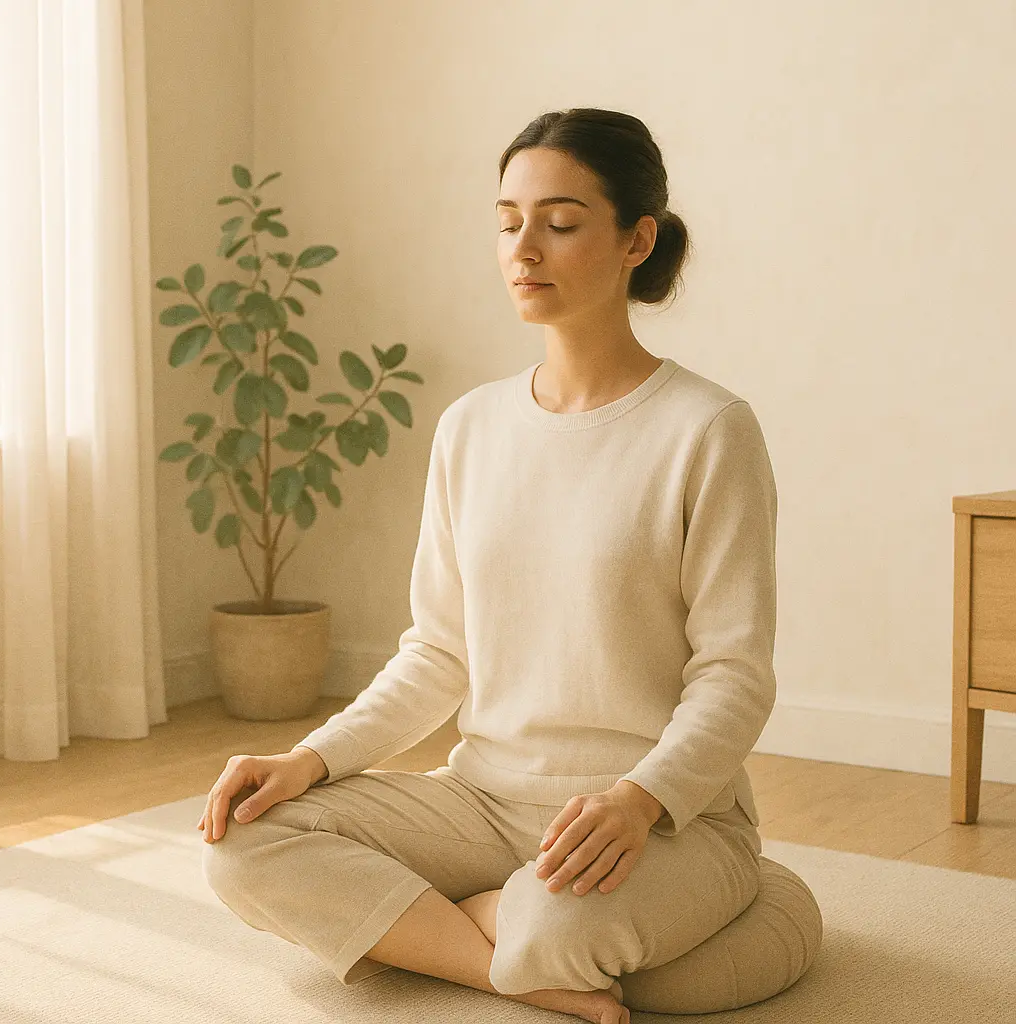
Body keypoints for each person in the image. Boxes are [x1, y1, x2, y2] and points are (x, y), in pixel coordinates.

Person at [199, 108, 822, 1023]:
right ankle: (518, 955)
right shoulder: (471, 428)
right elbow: (438, 652)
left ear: (634, 241)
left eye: (560, 223)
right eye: (507, 221)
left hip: (650, 811)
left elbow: (734, 674)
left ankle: (715, 902)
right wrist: (311, 760)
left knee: (561, 932)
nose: (523, 248)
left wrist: (639, 802)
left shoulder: (708, 430)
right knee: (244, 841)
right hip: (482, 801)